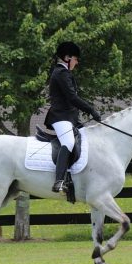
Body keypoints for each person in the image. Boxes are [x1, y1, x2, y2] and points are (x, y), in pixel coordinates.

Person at [44, 41, 101, 193]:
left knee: (86, 139)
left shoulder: (64, 73)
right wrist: (91, 110)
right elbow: (72, 98)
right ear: (67, 58)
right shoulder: (61, 73)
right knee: (68, 142)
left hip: (69, 118)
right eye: (76, 59)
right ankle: (59, 181)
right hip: (60, 117)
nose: (77, 62)